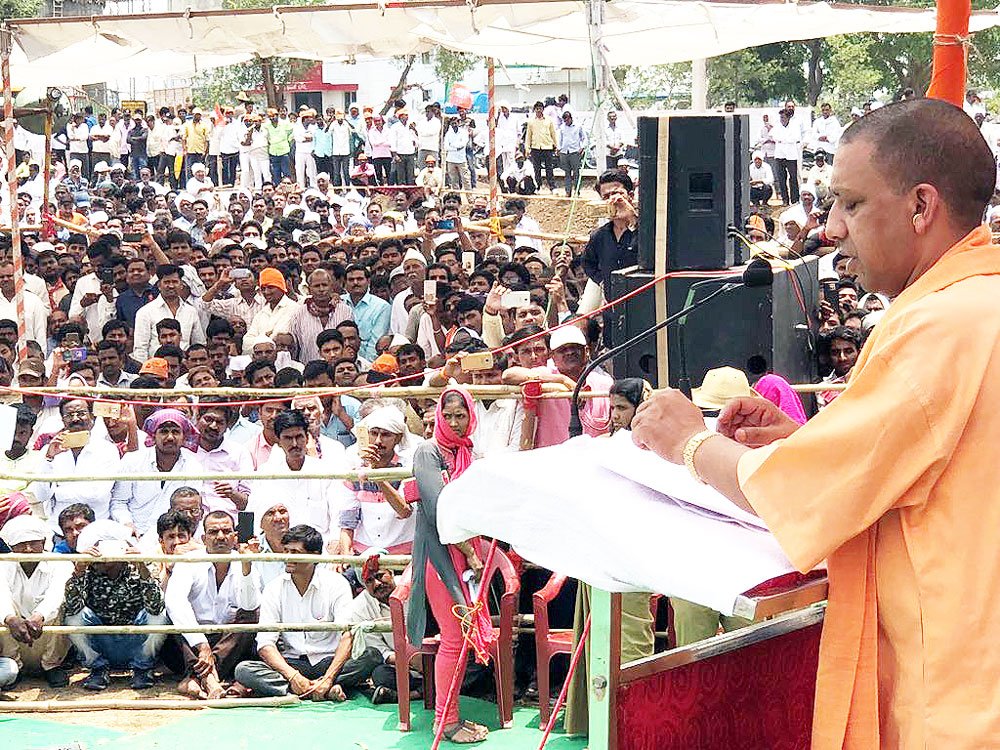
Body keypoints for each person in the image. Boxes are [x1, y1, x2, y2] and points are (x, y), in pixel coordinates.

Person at [629, 97, 1000, 749]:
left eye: (852, 204)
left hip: (957, 706)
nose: (829, 228)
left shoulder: (940, 326)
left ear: (921, 207)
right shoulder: (980, 305)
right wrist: (811, 445)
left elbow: (797, 496)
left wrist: (686, 441)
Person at [407, 388, 490, 744]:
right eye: (449, 416)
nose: (456, 423)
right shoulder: (428, 452)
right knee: (454, 639)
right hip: (441, 557)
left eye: (462, 416)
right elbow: (441, 509)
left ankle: (451, 716)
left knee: (461, 638)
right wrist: (470, 553)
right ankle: (446, 722)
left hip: (466, 553)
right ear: (439, 417)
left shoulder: (467, 453)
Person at [234, 524, 380, 700]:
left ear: (315, 555)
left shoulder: (336, 583)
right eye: (286, 551)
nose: (288, 557)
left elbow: (347, 636)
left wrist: (328, 677)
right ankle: (323, 689)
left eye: (295, 552)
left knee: (372, 656)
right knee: (244, 670)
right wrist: (293, 676)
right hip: (292, 663)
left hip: (329, 661)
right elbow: (265, 645)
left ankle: (311, 687)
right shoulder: (274, 588)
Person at [164, 510, 260, 699]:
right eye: (213, 532)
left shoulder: (245, 560)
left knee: (251, 616)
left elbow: (250, 606)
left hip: (229, 644)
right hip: (189, 644)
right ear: (204, 537)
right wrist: (202, 645)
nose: (220, 537)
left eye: (226, 531)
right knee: (173, 618)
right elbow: (174, 602)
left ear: (235, 536)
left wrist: (247, 566)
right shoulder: (189, 561)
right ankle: (209, 679)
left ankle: (197, 678)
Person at [64, 520, 168, 690]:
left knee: (160, 617)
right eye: (96, 546)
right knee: (74, 618)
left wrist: (142, 567)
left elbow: (155, 607)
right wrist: (79, 570)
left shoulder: (141, 565)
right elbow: (72, 607)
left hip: (135, 639)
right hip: (101, 639)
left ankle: (142, 669)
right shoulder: (87, 569)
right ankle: (97, 669)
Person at [0, 515, 73, 690]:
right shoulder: (3, 564)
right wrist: (10, 619)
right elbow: (1, 594)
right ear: (11, 546)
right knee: (2, 609)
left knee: (62, 607)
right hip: (13, 633)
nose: (28, 549)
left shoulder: (60, 563)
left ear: (44, 541)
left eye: (33, 542)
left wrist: (39, 617)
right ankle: (14, 665)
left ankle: (51, 665)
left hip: (46, 629)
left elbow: (56, 595)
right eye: (21, 544)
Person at [111, 409, 203, 537]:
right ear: (154, 435)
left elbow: (192, 509)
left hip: (173, 537)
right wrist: (127, 525)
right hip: (133, 535)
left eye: (175, 432)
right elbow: (119, 502)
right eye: (164, 431)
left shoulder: (193, 467)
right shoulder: (132, 461)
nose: (170, 437)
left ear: (184, 437)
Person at [36, 399, 120, 537]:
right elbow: (41, 495)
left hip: (97, 531)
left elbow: (98, 495)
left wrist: (58, 493)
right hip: (59, 531)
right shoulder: (49, 450)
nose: (75, 419)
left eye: (81, 413)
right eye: (69, 415)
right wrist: (49, 459)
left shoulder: (107, 450)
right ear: (63, 420)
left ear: (91, 416)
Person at [338, 406, 414, 556]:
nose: (378, 440)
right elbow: (348, 520)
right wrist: (346, 555)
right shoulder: (355, 468)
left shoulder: (407, 467)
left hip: (402, 554)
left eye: (386, 435)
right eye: (374, 433)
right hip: (364, 553)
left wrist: (377, 476)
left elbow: (404, 511)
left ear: (398, 438)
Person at [581, 170, 638, 294]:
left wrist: (632, 218)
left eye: (617, 194)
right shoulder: (599, 236)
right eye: (606, 197)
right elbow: (587, 263)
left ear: (631, 196)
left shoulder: (644, 230)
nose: (612, 201)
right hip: (612, 305)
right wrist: (603, 282)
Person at [525, 101, 557, 192]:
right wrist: (527, 148)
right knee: (537, 168)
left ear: (543, 109)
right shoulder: (531, 122)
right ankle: (538, 186)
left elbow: (553, 133)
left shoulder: (549, 120)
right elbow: (528, 136)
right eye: (537, 109)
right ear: (535, 110)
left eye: (540, 108)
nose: (539, 110)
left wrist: (556, 145)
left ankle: (552, 187)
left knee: (549, 168)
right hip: (536, 147)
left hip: (547, 147)